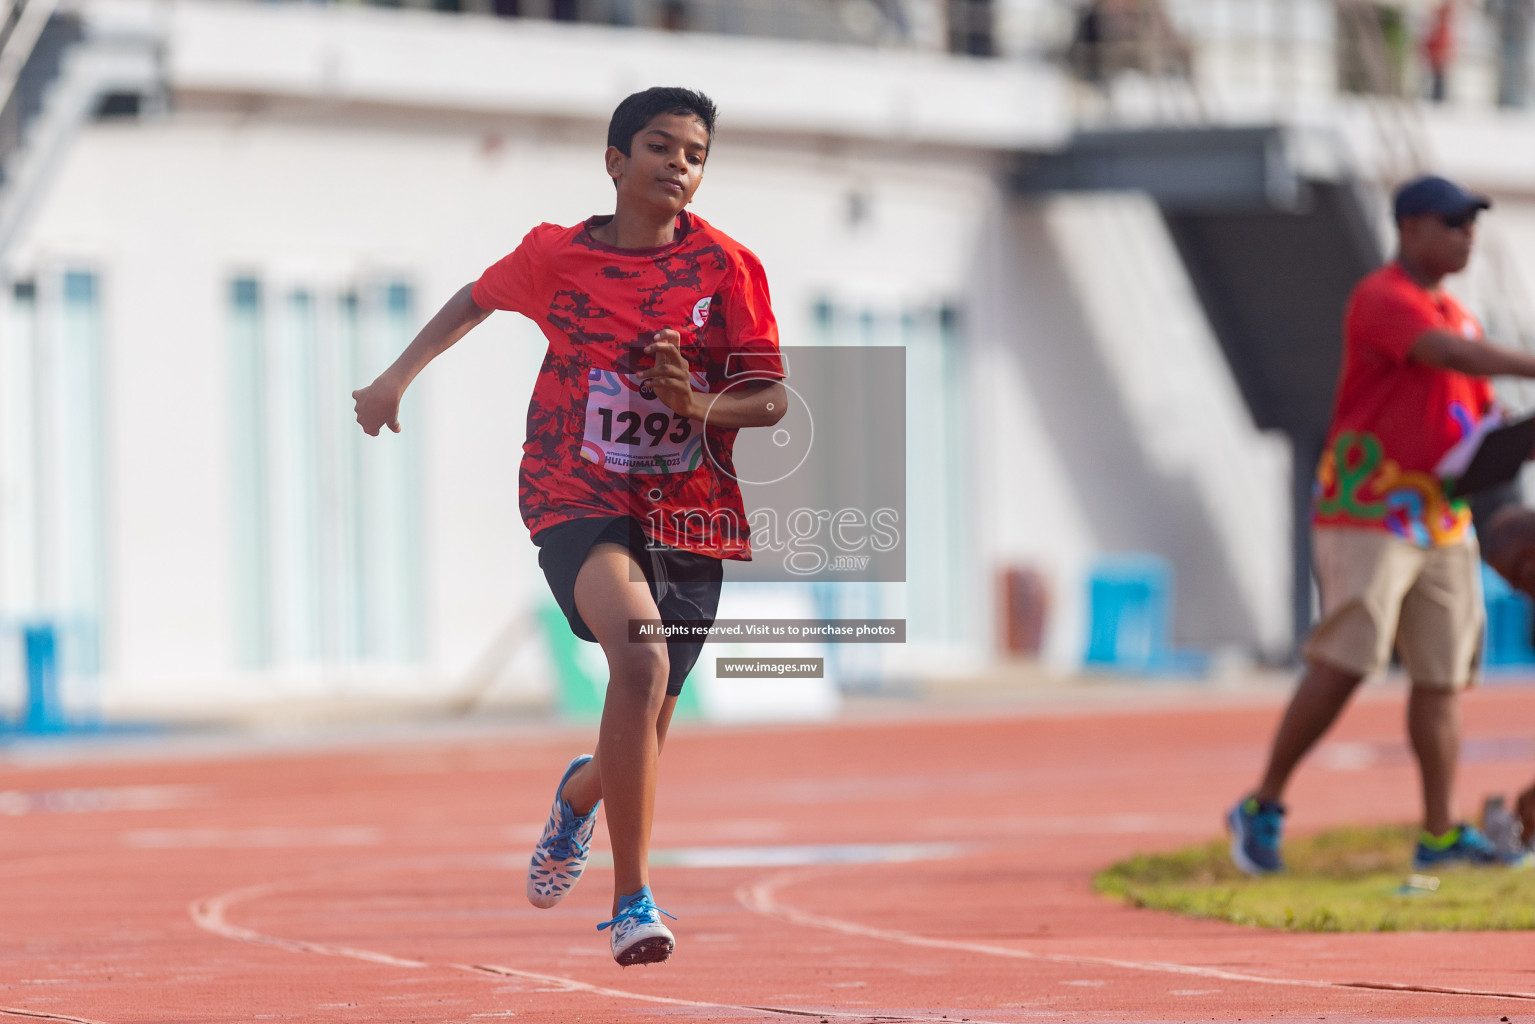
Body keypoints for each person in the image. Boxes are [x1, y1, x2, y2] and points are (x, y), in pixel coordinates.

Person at [351, 87, 787, 965]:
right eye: (660, 147)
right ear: (615, 160)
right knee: (641, 656)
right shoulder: (556, 255)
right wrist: (395, 377)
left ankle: (579, 798)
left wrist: (691, 400)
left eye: (695, 154)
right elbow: (474, 300)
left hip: (688, 512)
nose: (678, 164)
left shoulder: (727, 269)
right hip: (575, 492)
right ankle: (633, 903)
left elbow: (770, 400)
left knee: (643, 737)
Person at [1227, 174, 1535, 876]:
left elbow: (1472, 417)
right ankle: (1262, 804)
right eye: (1452, 223)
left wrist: (1513, 445)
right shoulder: (1383, 299)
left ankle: (1437, 831)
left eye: (1470, 225)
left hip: (1438, 515)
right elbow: (1448, 359)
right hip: (1367, 510)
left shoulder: (1458, 313)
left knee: (1441, 674)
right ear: (1409, 229)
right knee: (1344, 659)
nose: (1466, 236)